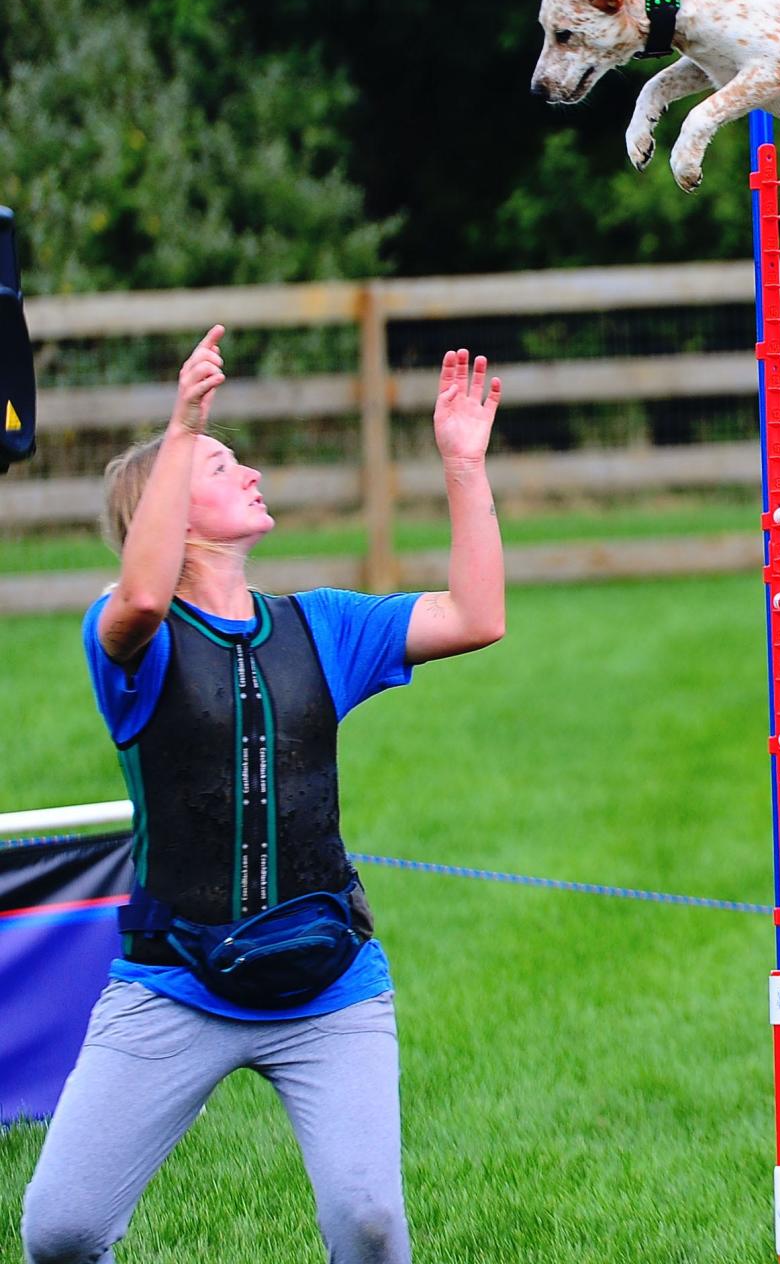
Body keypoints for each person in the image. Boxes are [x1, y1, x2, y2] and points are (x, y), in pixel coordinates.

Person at [22, 325, 504, 1264]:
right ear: (171, 512)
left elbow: (477, 615)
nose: (248, 471)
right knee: (60, 1231)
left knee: (369, 1226)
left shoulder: (322, 626)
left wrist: (461, 465)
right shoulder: (127, 639)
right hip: (173, 983)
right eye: (219, 463)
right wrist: (182, 421)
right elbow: (147, 599)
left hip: (330, 982)